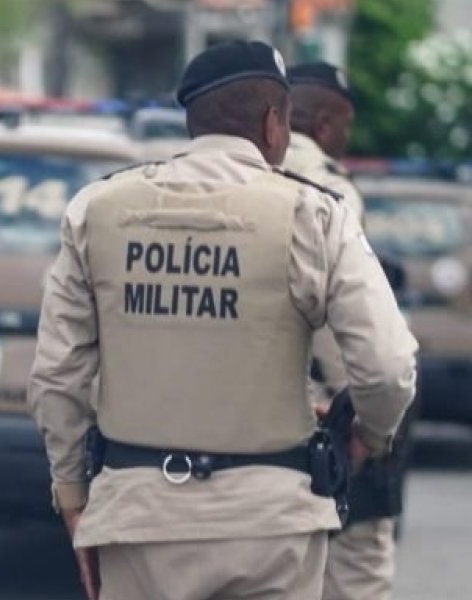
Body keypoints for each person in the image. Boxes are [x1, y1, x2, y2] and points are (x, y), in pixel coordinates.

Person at [28, 40, 418, 600]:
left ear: (193, 122)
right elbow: (387, 366)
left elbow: (55, 378)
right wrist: (370, 437)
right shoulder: (312, 213)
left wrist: (73, 498)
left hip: (139, 518)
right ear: (273, 122)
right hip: (270, 527)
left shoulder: (97, 210)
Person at [284, 61, 414, 600]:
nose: (345, 139)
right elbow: (354, 335)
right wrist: (366, 426)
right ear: (321, 124)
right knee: (356, 566)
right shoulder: (331, 192)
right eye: (344, 126)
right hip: (322, 416)